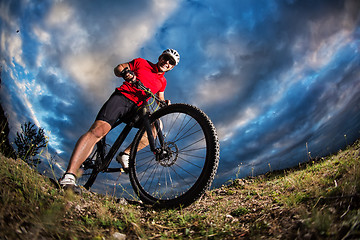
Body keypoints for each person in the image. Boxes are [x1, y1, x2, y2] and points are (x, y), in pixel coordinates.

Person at [59, 49, 180, 190]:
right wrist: (125, 73)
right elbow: (119, 67)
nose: (167, 62)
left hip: (138, 109)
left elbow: (160, 99)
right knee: (98, 131)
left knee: (156, 126)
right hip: (122, 98)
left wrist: (164, 103)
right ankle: (69, 175)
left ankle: (125, 154)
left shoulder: (162, 81)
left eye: (171, 62)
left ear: (172, 67)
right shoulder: (142, 62)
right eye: (166, 58)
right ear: (160, 57)